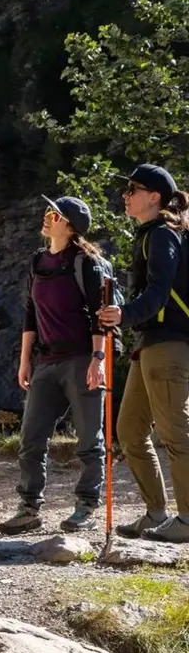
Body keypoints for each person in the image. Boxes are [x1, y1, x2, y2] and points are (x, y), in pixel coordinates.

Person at [0, 195, 108, 535]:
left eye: (54, 214)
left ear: (70, 226)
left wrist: (98, 360)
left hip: (81, 360)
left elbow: (100, 317)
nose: (47, 217)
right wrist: (24, 361)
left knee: (89, 440)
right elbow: (30, 313)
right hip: (46, 361)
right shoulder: (38, 261)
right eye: (48, 211)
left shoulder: (86, 263)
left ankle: (87, 506)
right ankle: (29, 508)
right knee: (31, 438)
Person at [99, 164, 189, 543]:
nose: (126, 195)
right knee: (130, 430)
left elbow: (158, 291)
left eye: (132, 189)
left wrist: (125, 313)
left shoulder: (162, 235)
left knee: (176, 433)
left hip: (170, 344)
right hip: (151, 344)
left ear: (154, 197)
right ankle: (156, 513)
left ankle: (186, 521)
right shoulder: (154, 235)